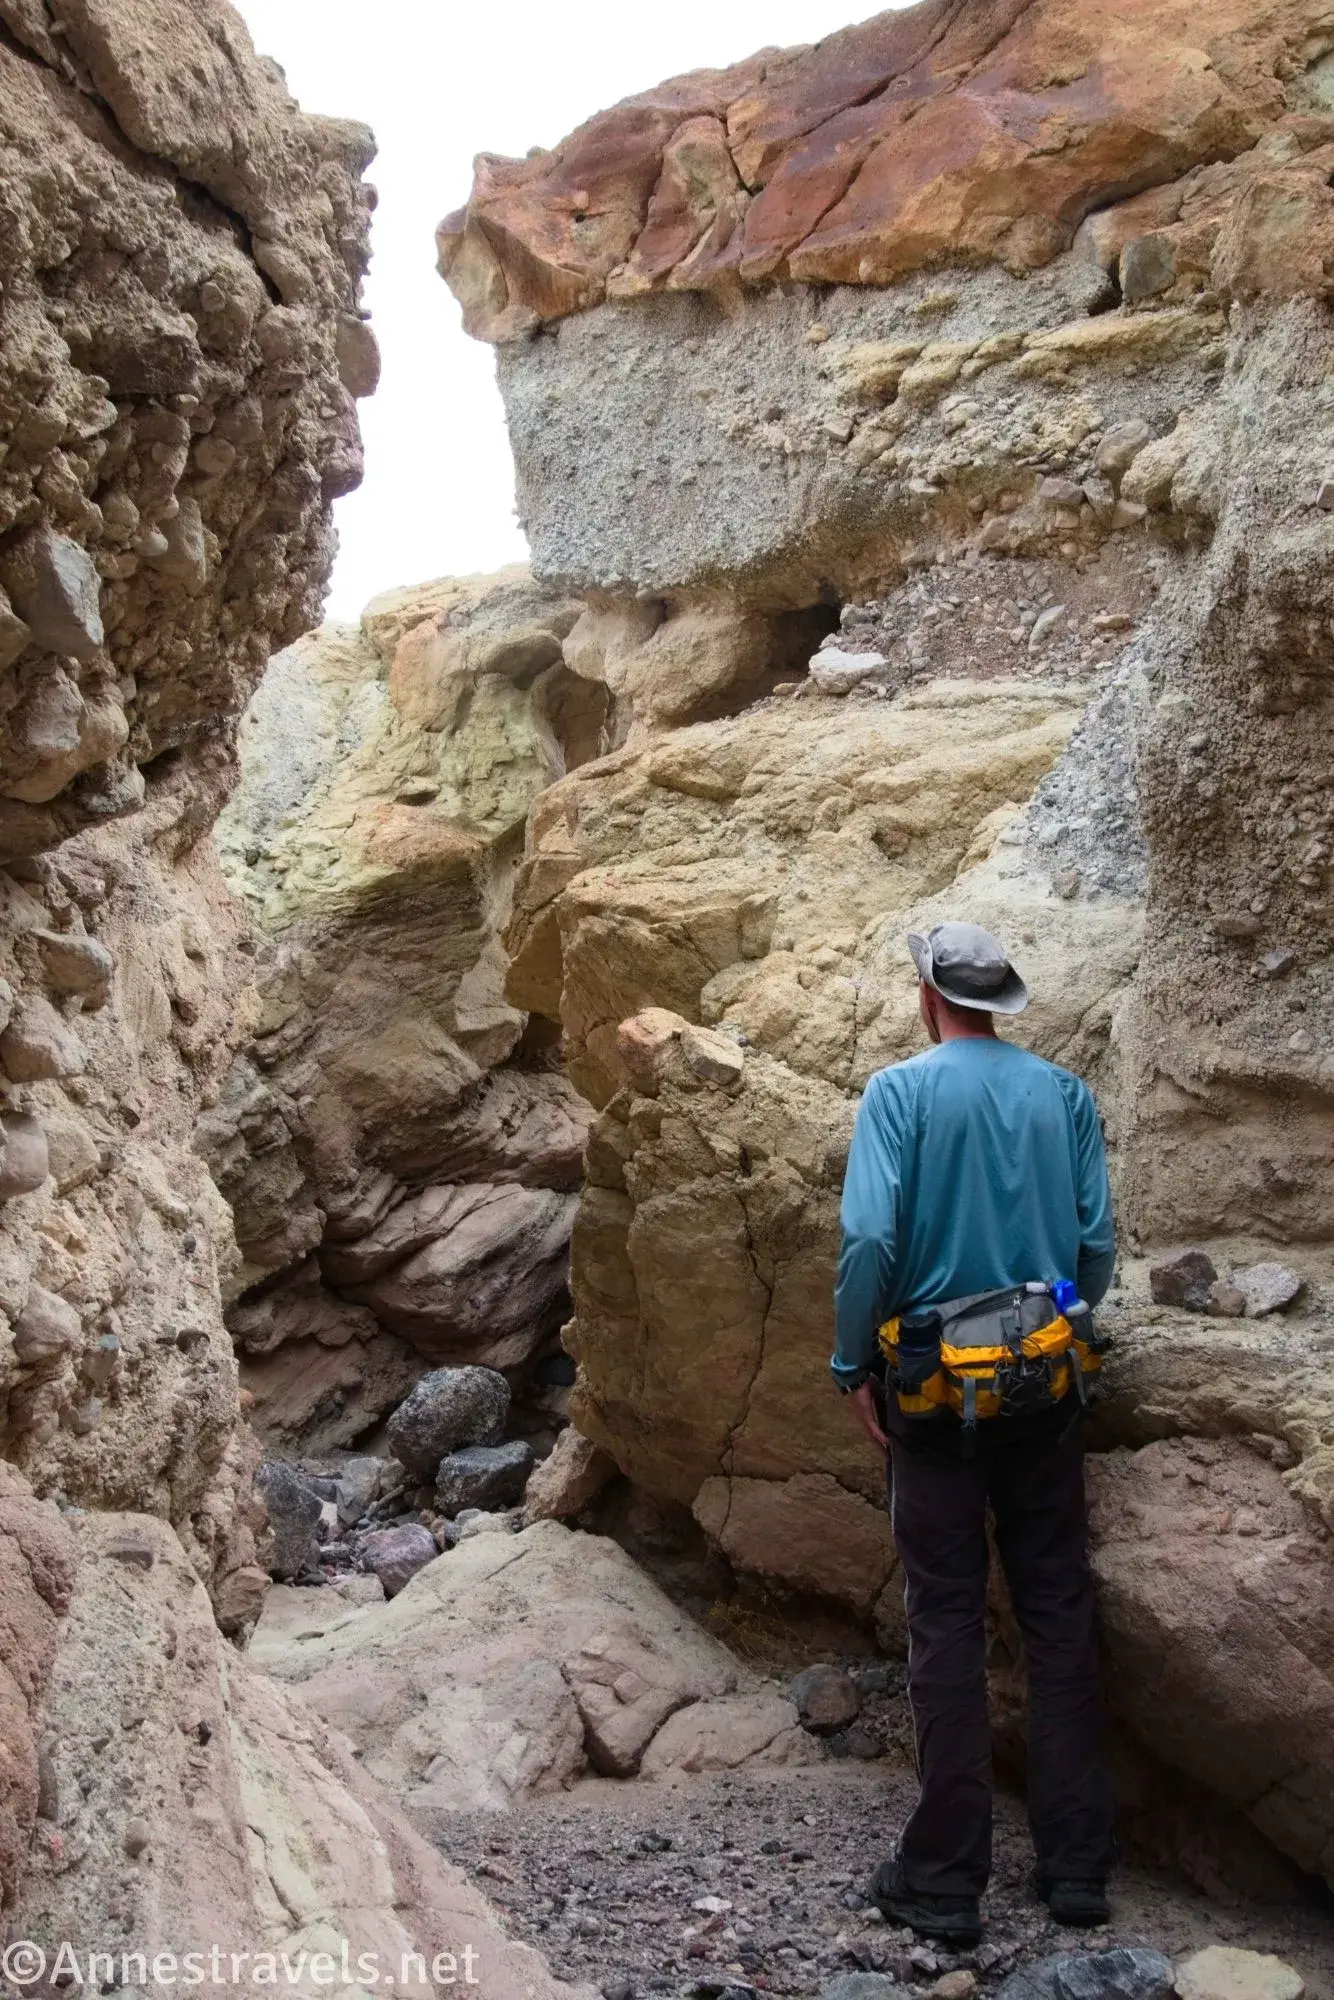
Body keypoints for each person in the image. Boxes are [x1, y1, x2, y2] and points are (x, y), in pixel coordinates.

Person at [832, 921, 1116, 1947]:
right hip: (1045, 1386)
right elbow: (1093, 1243)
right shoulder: (1065, 1095)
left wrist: (846, 1361)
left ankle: (945, 1876)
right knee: (1055, 1609)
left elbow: (867, 1237)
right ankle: (1076, 1863)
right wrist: (1052, 1325)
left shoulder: (899, 1093)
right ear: (1000, 1000)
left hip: (933, 1395)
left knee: (944, 1619)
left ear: (925, 995)